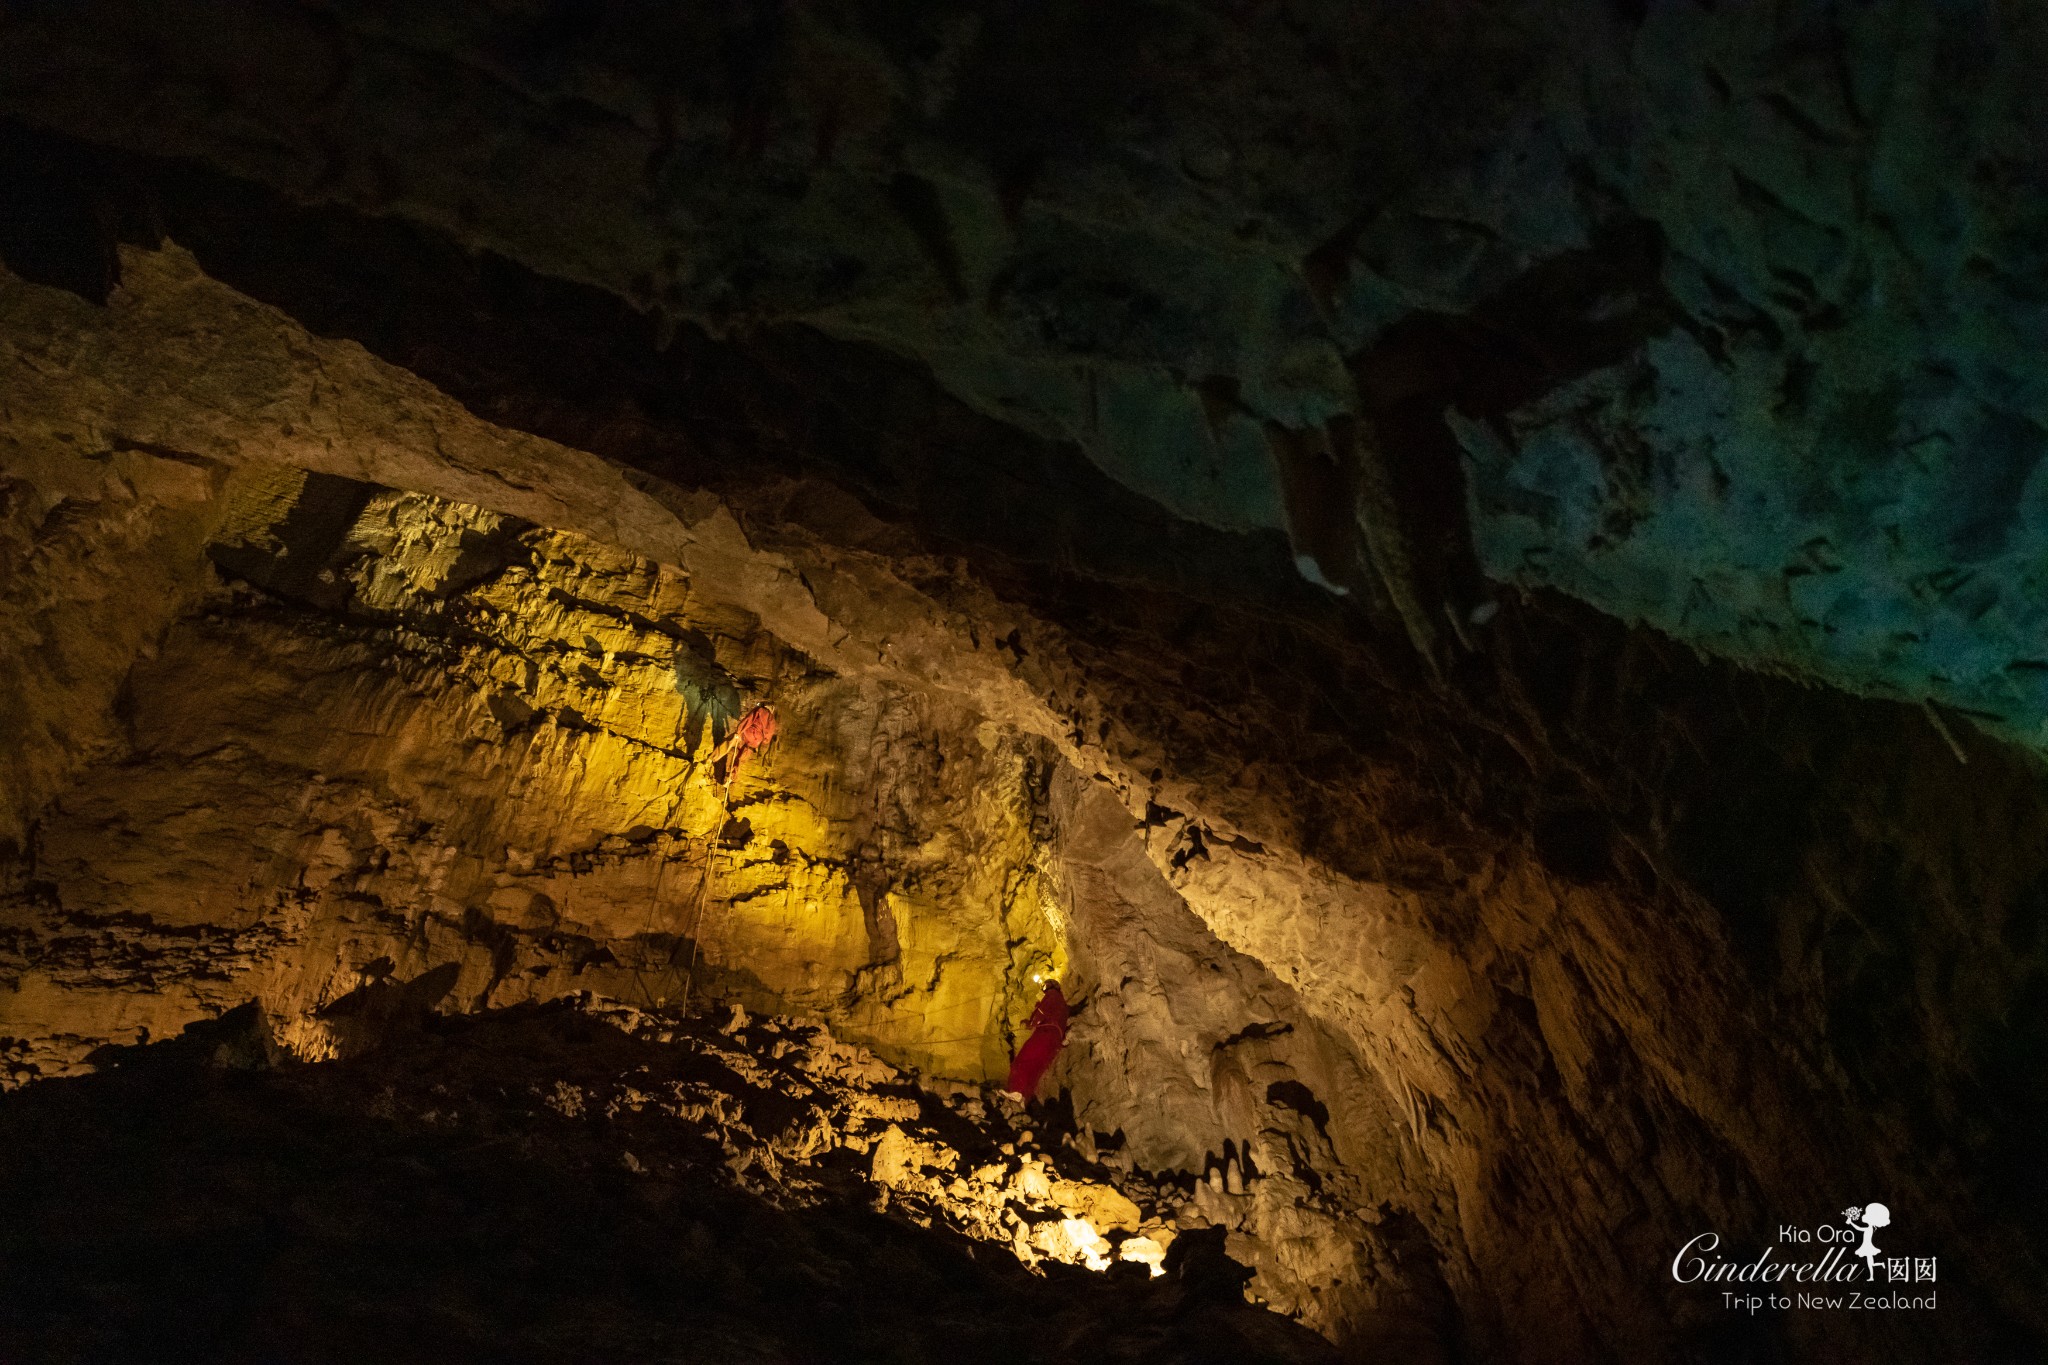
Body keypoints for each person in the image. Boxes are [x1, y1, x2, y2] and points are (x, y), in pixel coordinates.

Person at [1004, 979, 1070, 1100]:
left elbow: (1041, 1011)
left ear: (1051, 986)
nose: (1044, 988)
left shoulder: (1052, 995)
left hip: (1045, 1033)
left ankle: (1016, 1090)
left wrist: (1031, 1023)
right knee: (1036, 1069)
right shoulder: (1064, 1006)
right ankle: (1024, 1099)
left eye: (1045, 985)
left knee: (1023, 1060)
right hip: (1055, 1041)